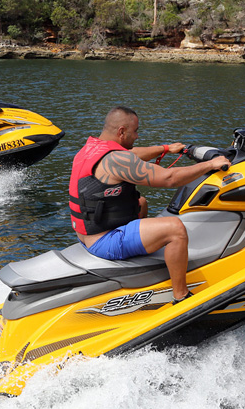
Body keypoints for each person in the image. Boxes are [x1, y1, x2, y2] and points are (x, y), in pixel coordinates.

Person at [69, 106, 230, 305]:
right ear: (121, 131)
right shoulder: (118, 160)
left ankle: (143, 260)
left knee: (141, 203)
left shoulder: (92, 148)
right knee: (175, 229)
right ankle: (181, 296)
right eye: (135, 131)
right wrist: (209, 165)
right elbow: (169, 178)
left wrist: (165, 148)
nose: (137, 136)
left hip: (89, 232)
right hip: (103, 241)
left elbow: (133, 154)